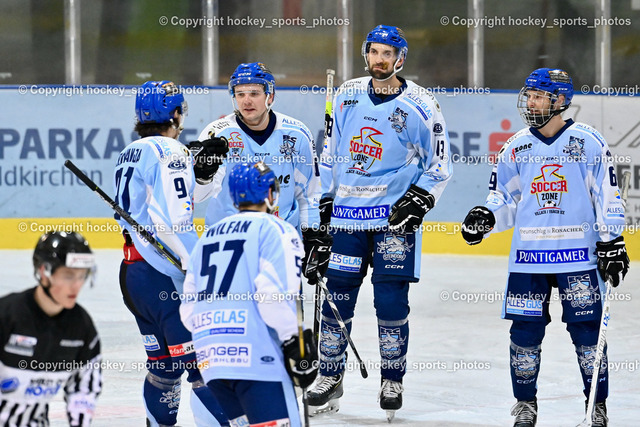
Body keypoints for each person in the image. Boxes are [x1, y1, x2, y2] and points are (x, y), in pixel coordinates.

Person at [461, 68, 629, 427]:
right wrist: (485, 218)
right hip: (528, 258)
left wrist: (612, 240)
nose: (531, 101)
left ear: (560, 101)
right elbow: (503, 199)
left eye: (540, 95)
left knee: (587, 333)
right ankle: (525, 405)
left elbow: (607, 194)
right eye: (531, 94)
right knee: (524, 333)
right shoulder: (516, 146)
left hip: (578, 256)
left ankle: (596, 406)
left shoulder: (588, 141)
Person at [310, 25, 453, 419]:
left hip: (393, 222)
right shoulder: (347, 95)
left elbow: (439, 164)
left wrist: (419, 199)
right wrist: (323, 204)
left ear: (401, 58)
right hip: (347, 220)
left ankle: (393, 378)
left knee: (390, 302)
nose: (379, 60)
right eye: (373, 52)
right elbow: (330, 152)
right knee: (337, 299)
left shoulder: (421, 104)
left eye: (387, 53)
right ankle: (330, 374)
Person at [114, 80, 229, 426]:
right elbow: (173, 221)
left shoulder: (131, 152)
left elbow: (163, 205)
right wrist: (199, 270)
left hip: (134, 274)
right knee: (203, 367)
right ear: (176, 113)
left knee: (164, 367)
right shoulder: (170, 151)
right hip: (165, 274)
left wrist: (204, 175)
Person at [180, 161, 318, 426]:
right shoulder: (277, 230)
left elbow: (188, 312)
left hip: (213, 362)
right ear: (270, 193)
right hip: (258, 360)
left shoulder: (207, 237)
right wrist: (296, 342)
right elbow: (273, 296)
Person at [194, 62, 332, 286]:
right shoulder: (216, 134)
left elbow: (309, 193)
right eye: (240, 94)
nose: (246, 100)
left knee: (285, 319)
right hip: (229, 243)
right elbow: (198, 197)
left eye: (254, 93)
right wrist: (201, 174)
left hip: (281, 244)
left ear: (270, 96)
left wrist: (312, 234)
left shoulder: (296, 134)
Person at [0, 231, 102, 426]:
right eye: (68, 276)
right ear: (43, 272)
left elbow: (84, 389)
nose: (76, 286)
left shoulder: (81, 327)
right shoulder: (7, 316)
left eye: (82, 276)